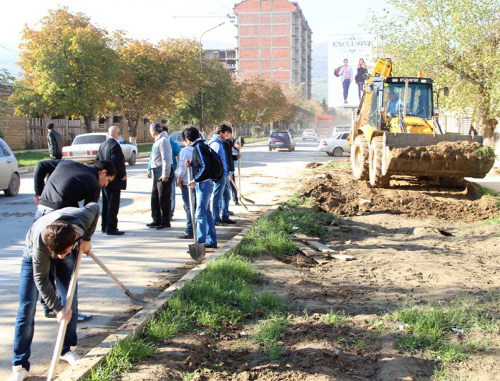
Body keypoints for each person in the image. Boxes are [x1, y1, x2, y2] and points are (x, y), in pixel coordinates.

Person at [9, 203, 100, 381]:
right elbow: (41, 279)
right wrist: (57, 309)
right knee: (27, 307)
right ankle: (20, 365)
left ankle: (67, 350)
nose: (59, 257)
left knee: (70, 301)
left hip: (64, 242)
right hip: (34, 254)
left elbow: (95, 207)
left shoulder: (81, 221)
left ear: (74, 238)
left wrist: (87, 239)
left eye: (63, 253)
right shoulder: (40, 247)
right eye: (56, 254)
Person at [32, 159, 116, 322]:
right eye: (108, 180)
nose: (105, 185)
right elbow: (90, 212)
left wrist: (39, 192)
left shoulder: (66, 163)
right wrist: (85, 240)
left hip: (41, 214)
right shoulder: (93, 184)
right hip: (59, 222)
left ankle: (51, 307)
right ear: (103, 172)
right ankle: (69, 311)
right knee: (67, 272)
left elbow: (40, 165)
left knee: (45, 263)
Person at [184, 127, 217, 249]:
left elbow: (205, 166)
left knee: (200, 213)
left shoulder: (198, 147)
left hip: (203, 184)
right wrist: (192, 163)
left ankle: (200, 243)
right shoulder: (202, 145)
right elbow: (202, 163)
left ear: (188, 138)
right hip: (205, 183)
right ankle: (211, 240)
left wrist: (195, 180)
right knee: (206, 212)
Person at [96, 126, 127, 236]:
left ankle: (104, 226)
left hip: (104, 179)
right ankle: (111, 227)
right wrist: (121, 175)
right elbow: (116, 162)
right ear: (118, 133)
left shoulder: (102, 145)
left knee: (106, 203)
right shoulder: (115, 145)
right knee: (113, 204)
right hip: (113, 179)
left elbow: (97, 161)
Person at [146, 123, 173, 230]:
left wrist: (165, 174)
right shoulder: (158, 140)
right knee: (155, 197)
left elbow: (166, 159)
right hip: (156, 171)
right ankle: (156, 219)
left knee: (163, 197)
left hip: (162, 172)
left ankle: (165, 221)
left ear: (153, 131)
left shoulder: (164, 140)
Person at [208, 124, 236, 225]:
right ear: (221, 132)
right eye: (226, 133)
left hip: (225, 173)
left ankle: (225, 216)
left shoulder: (221, 142)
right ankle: (216, 218)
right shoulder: (215, 143)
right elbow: (212, 160)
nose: (228, 135)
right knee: (218, 196)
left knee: (226, 195)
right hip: (219, 174)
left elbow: (224, 159)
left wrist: (228, 172)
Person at [175, 132, 195, 239]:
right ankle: (197, 229)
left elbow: (182, 170)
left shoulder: (185, 151)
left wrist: (179, 179)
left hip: (188, 182)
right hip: (199, 182)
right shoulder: (200, 148)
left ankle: (190, 230)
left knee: (189, 206)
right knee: (196, 207)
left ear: (185, 139)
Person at [229, 136, 244, 205]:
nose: (240, 147)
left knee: (233, 186)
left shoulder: (238, 150)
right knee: (228, 188)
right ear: (235, 143)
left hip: (232, 170)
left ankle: (236, 200)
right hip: (227, 171)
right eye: (240, 145)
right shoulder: (229, 149)